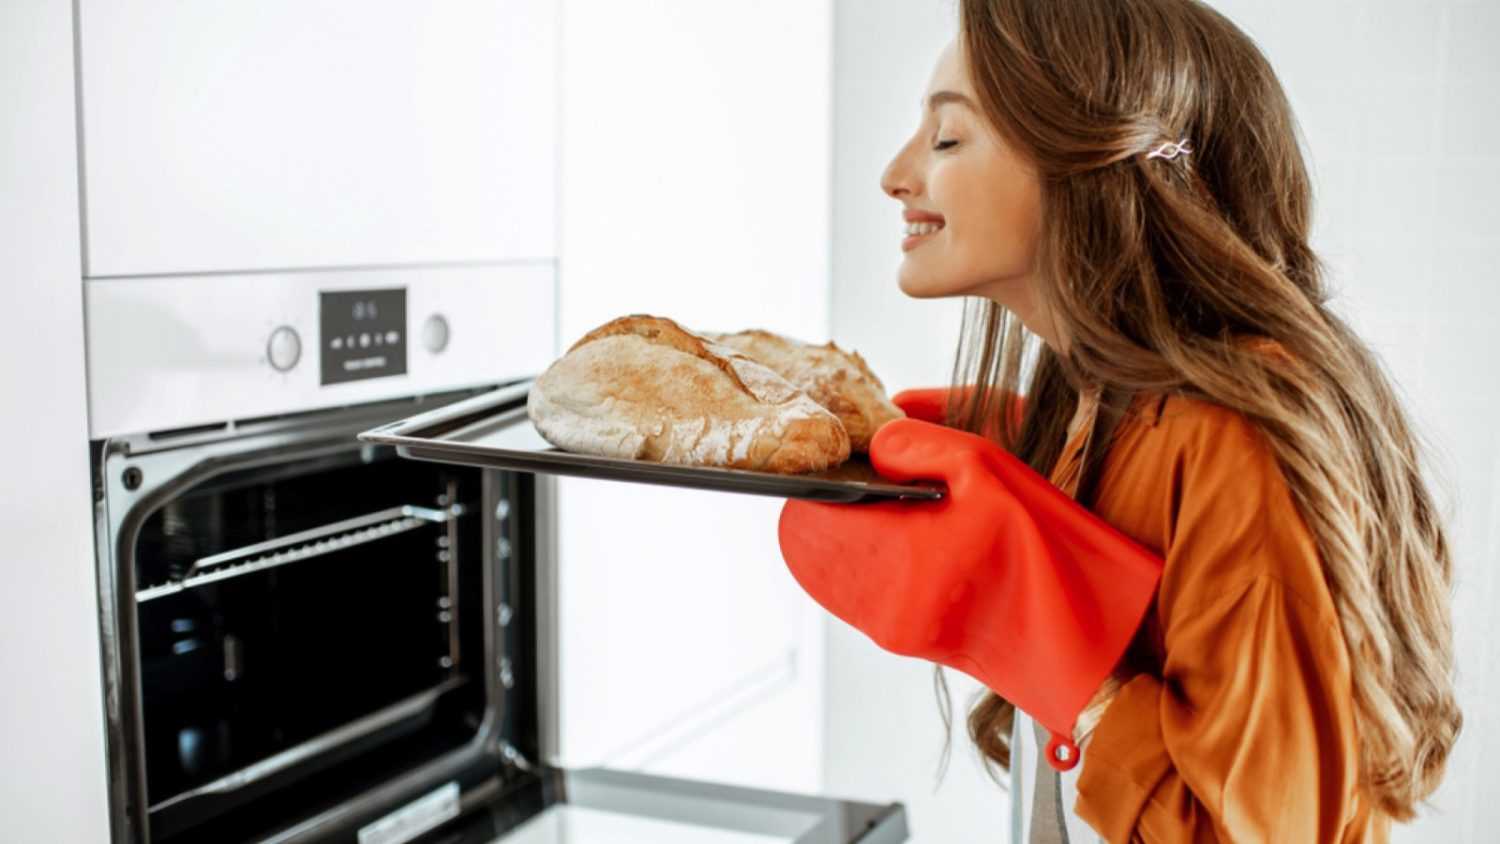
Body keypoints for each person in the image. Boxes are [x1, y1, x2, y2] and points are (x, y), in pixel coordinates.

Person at [776, 1, 1462, 841]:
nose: (896, 174)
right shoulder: (1090, 393)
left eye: (949, 138)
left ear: (1089, 163)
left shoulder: (1229, 437)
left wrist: (1054, 648)